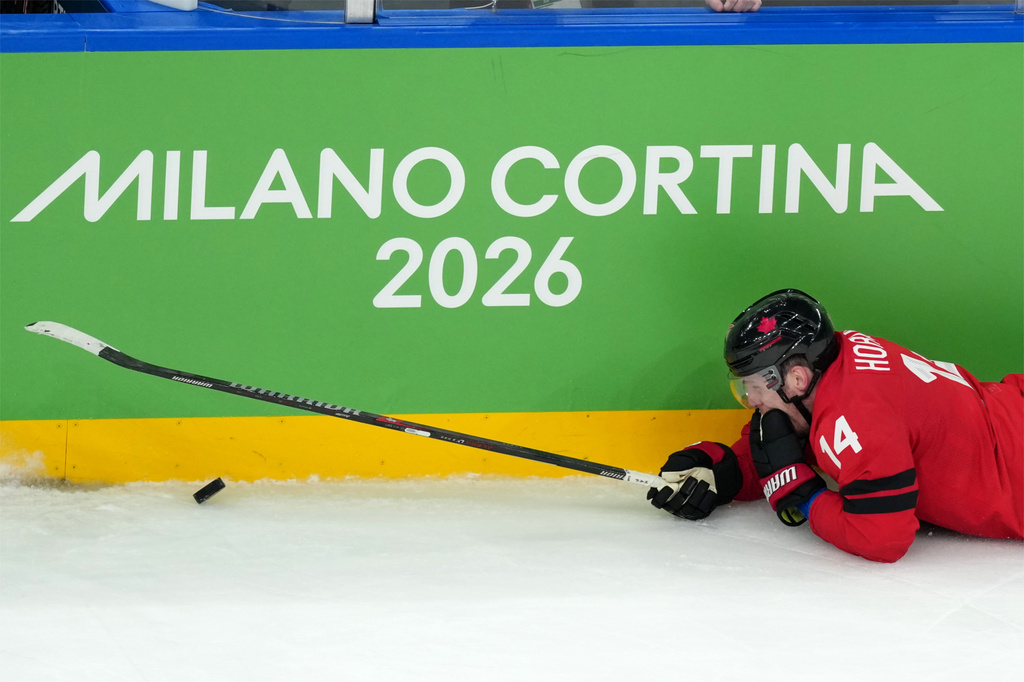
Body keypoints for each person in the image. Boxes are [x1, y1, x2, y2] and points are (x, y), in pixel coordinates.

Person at [647, 289, 1024, 562]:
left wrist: (806, 497)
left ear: (795, 379)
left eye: (755, 388)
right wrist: (721, 467)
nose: (752, 402)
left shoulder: (853, 416)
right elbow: (780, 444)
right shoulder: (838, 361)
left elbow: (883, 538)